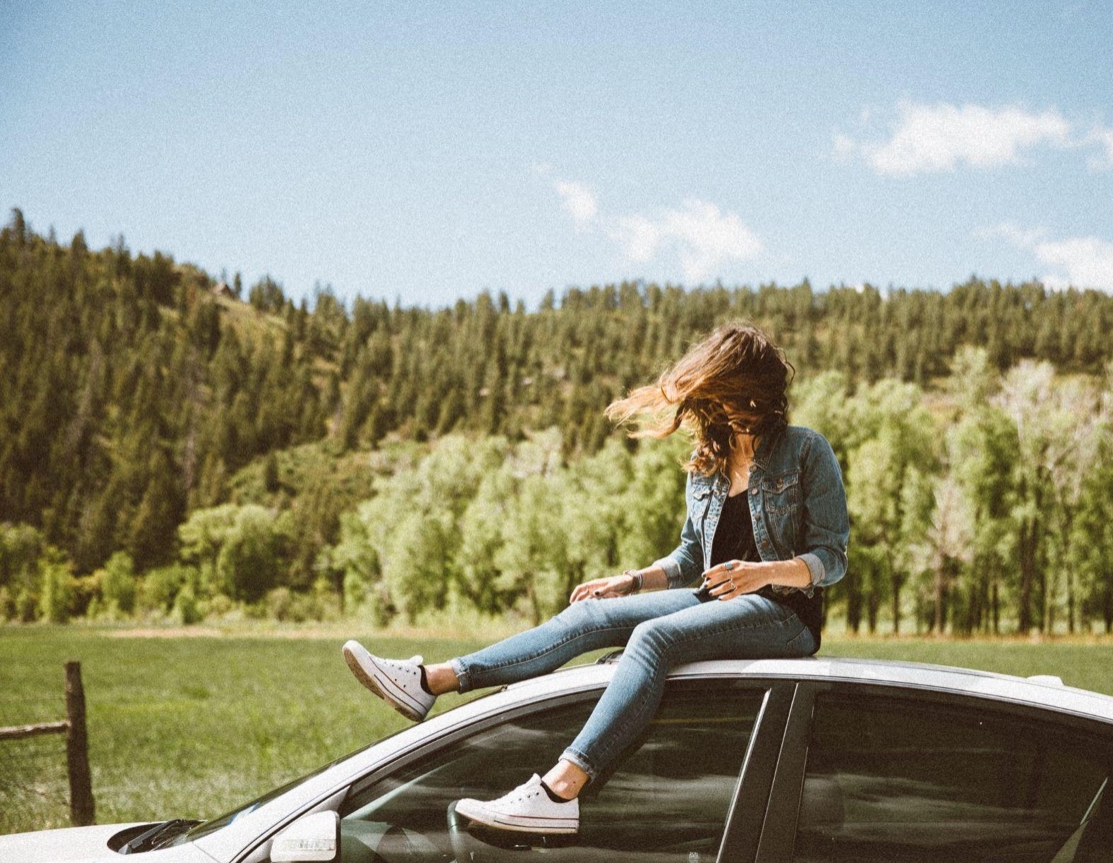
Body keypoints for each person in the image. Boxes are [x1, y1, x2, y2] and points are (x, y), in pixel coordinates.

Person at [341, 323, 849, 835]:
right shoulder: (708, 464)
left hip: (785, 615)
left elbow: (832, 557)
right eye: (714, 396)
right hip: (708, 600)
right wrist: (629, 581)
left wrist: (763, 574)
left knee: (653, 639)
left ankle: (560, 789)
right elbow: (692, 556)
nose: (722, 408)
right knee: (589, 615)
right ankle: (430, 681)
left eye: (729, 394)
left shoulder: (806, 451)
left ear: (755, 388)